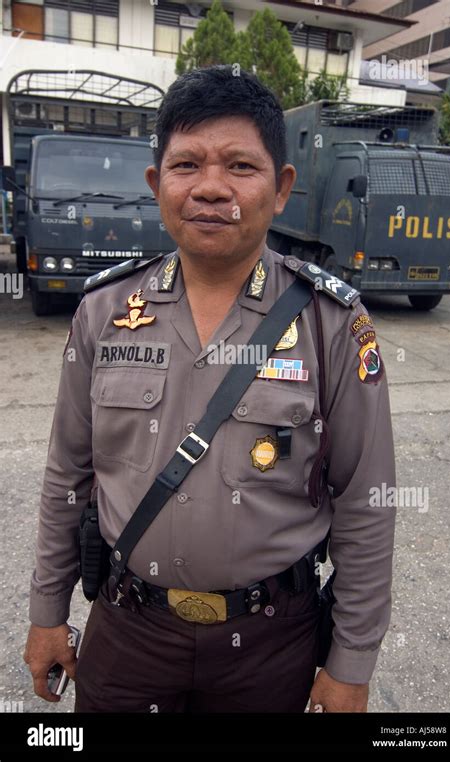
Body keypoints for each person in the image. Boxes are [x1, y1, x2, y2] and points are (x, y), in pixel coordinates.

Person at [24, 65, 396, 713]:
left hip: (272, 643)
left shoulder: (331, 322)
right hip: (127, 630)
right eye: (187, 164)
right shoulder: (105, 310)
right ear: (156, 183)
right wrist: (47, 611)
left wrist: (352, 663)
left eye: (240, 167)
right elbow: (67, 477)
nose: (211, 188)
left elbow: (366, 502)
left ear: (281, 189)